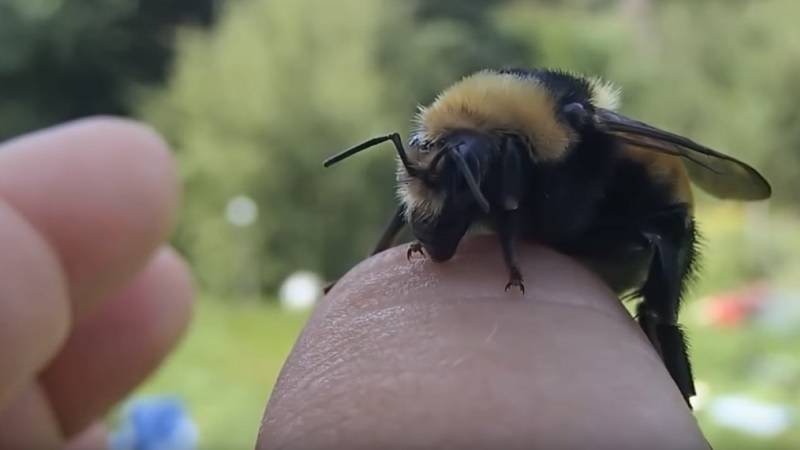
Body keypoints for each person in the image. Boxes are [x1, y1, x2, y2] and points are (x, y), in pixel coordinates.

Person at [0, 118, 708, 449]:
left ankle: (665, 338)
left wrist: (517, 251)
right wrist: (372, 261)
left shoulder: (552, 141)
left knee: (661, 234)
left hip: (630, 212)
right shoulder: (468, 147)